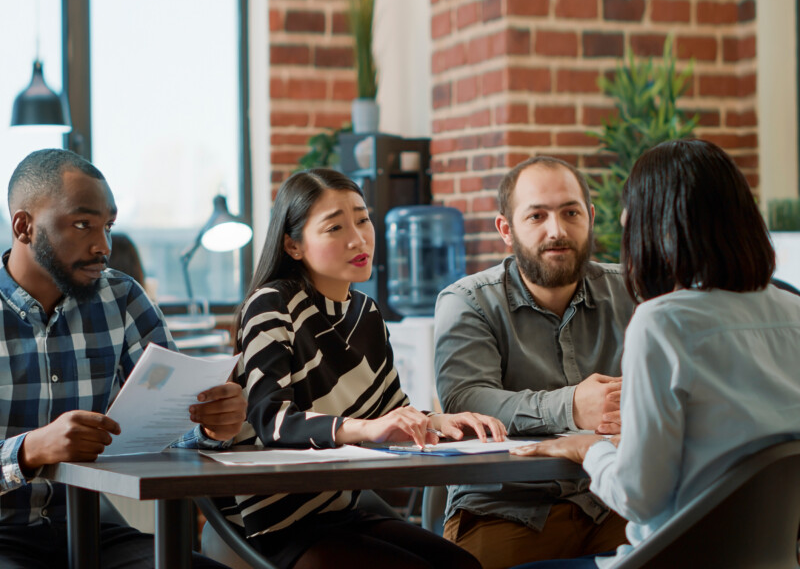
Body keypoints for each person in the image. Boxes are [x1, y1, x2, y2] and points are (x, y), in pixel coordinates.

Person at [510, 139, 800, 568]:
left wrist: (589, 449)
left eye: (631, 214)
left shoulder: (663, 322)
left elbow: (639, 498)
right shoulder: (794, 312)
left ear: (657, 224)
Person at [227, 167, 505, 569]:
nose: (358, 239)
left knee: (464, 565)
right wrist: (363, 429)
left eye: (362, 219)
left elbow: (390, 410)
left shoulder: (366, 314)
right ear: (293, 245)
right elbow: (272, 421)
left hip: (338, 509)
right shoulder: (271, 304)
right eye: (335, 228)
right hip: (274, 522)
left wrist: (442, 421)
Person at [0, 148, 247, 569]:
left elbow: (168, 433)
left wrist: (209, 425)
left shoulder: (123, 298)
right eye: (82, 225)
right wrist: (30, 450)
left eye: (108, 226)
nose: (103, 246)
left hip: (89, 525)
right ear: (24, 227)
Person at [434, 156, 636, 568]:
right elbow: (465, 400)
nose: (557, 230)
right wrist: (572, 406)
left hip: (615, 498)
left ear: (590, 218)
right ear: (506, 230)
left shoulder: (633, 290)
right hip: (509, 506)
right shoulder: (468, 301)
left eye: (570, 212)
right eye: (537, 216)